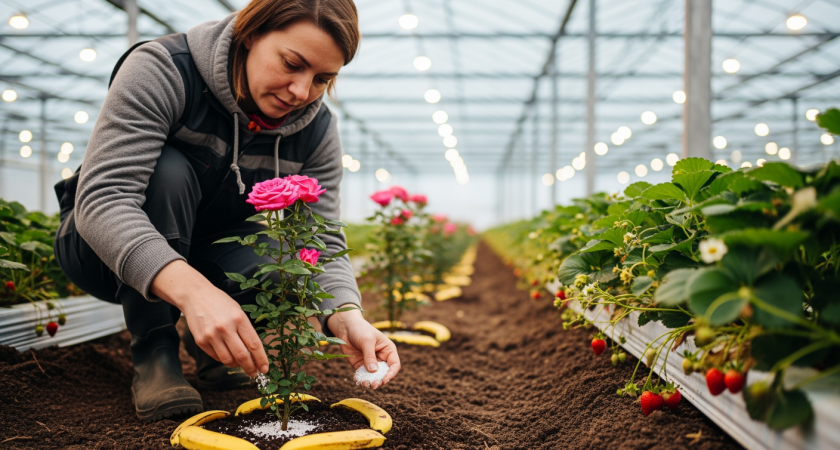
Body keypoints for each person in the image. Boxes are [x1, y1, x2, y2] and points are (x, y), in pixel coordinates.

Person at [53, 0, 400, 422]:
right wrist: (196, 293)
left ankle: (215, 351)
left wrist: (346, 315)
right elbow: (105, 198)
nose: (301, 92)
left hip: (207, 250)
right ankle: (155, 352)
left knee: (283, 254)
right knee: (169, 169)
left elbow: (321, 237)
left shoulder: (317, 129)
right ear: (250, 33)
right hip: (99, 254)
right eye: (292, 64)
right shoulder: (164, 68)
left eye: (322, 79)